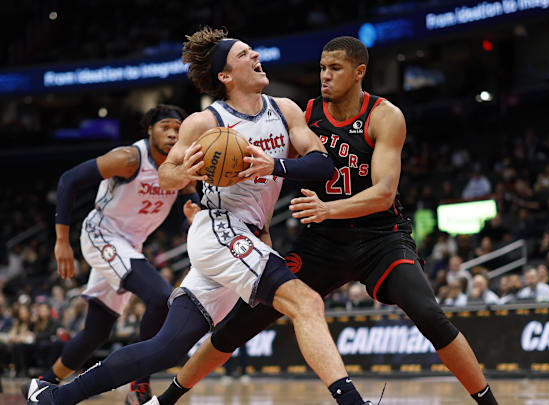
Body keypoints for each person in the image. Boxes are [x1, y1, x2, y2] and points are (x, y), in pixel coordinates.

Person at [26, 27, 372, 405]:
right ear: (225, 76)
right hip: (220, 228)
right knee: (306, 302)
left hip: (244, 238)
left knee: (166, 349)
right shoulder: (206, 122)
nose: (255, 55)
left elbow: (324, 165)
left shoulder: (285, 109)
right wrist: (189, 171)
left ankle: (52, 399)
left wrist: (272, 166)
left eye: (252, 51)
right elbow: (166, 174)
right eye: (244, 54)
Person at [148, 36, 498, 405]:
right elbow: (282, 166)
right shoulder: (304, 113)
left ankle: (488, 402)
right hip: (322, 241)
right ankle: (167, 398)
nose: (324, 76)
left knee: (429, 313)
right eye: (321, 68)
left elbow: (383, 192)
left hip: (380, 236)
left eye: (335, 69)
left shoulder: (385, 115)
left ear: (359, 72)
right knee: (243, 321)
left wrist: (329, 208)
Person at [22, 104, 197, 405]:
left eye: (178, 129)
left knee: (96, 332)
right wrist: (61, 240)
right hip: (102, 235)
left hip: (130, 245)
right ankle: (139, 387)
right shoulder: (129, 158)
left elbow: (189, 201)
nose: (172, 133)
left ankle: (43, 384)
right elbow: (69, 179)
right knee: (160, 297)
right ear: (149, 130)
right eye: (165, 126)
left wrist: (193, 215)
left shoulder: (178, 167)